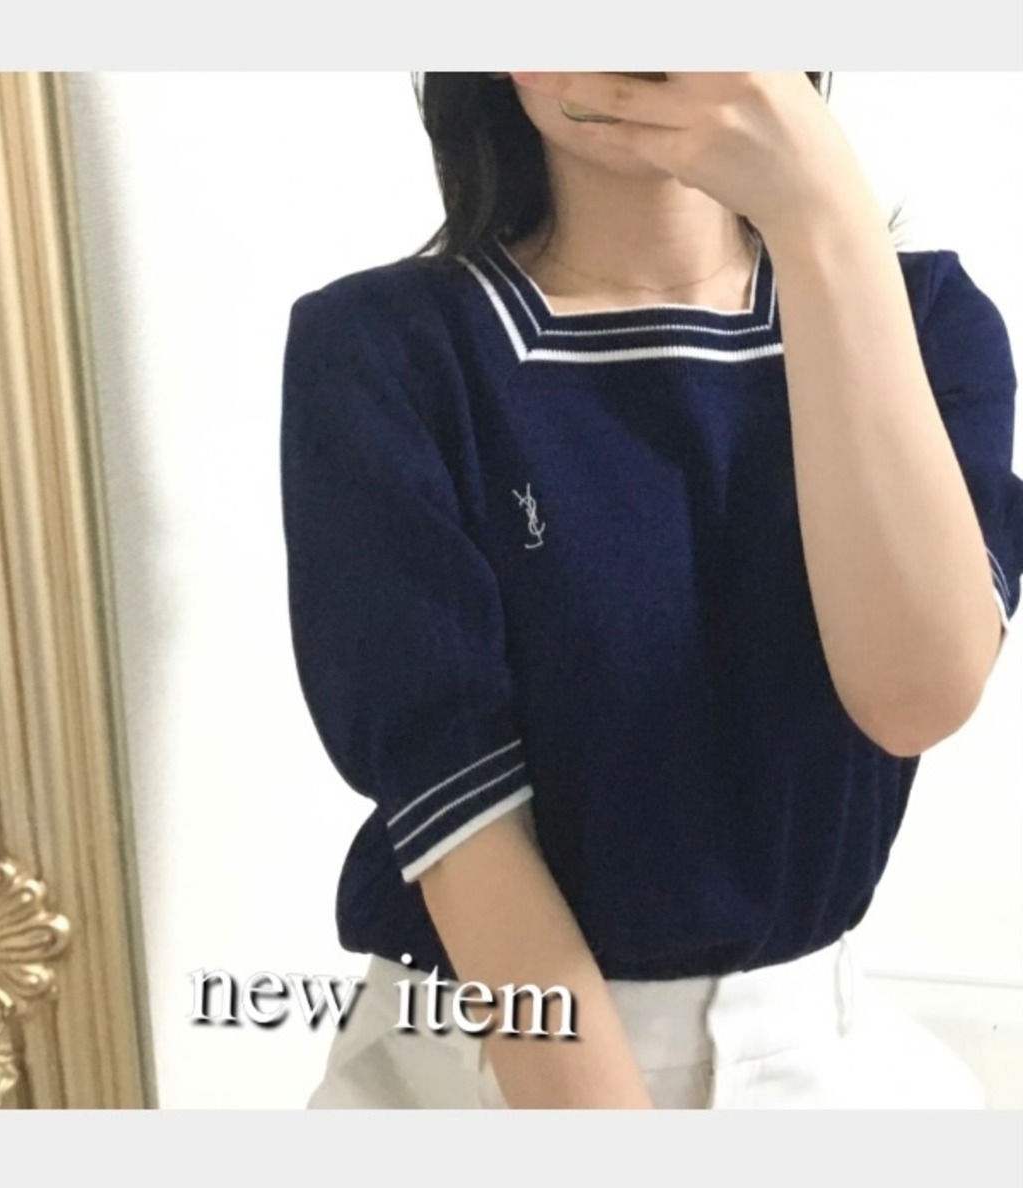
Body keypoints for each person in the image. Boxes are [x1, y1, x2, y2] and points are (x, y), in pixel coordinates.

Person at [278, 71, 1020, 1108]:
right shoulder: (386, 347)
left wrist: (821, 220)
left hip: (817, 1059)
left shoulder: (923, 320)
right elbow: (456, 813)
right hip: (480, 1061)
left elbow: (912, 696)